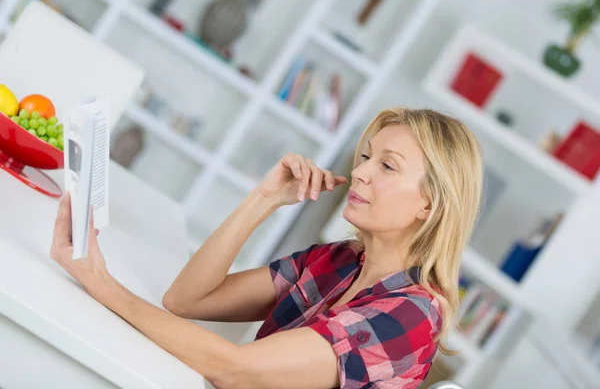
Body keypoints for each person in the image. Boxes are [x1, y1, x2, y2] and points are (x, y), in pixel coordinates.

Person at [50, 107, 483, 388]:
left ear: (431, 203)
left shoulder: (412, 314)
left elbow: (236, 370)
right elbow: (186, 299)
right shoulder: (339, 261)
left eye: (387, 165)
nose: (361, 172)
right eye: (366, 156)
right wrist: (267, 198)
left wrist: (101, 284)